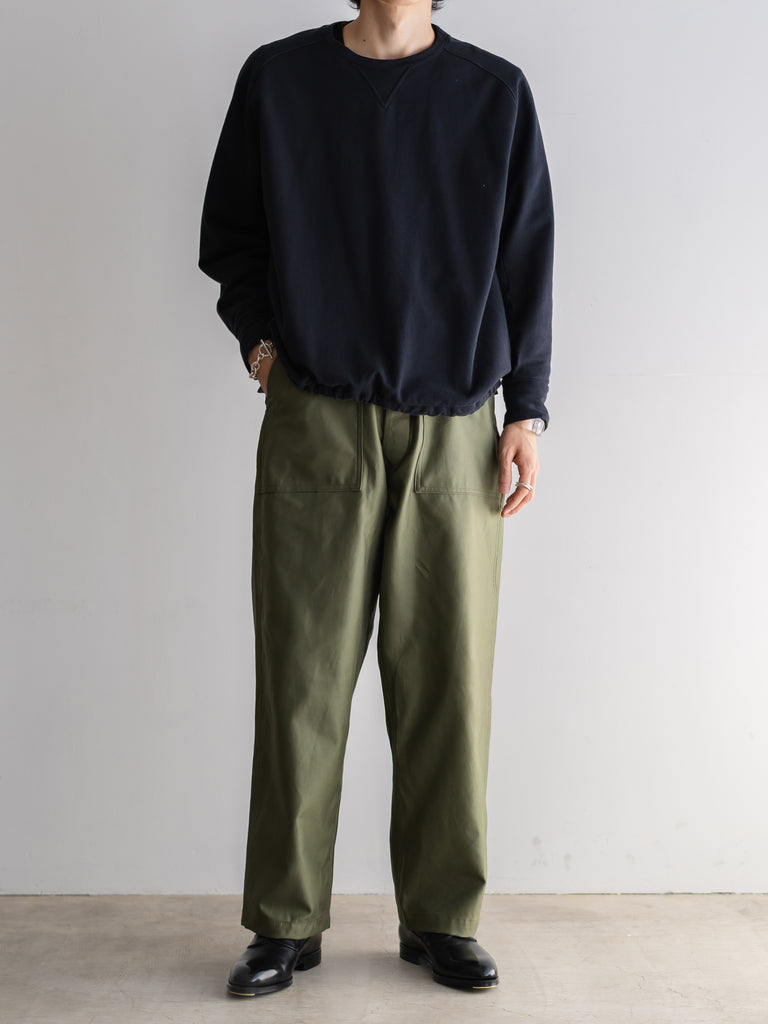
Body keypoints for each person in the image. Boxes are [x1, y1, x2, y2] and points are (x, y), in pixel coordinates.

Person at [198, 0, 554, 997]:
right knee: (300, 680)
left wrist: (526, 408)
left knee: (449, 682)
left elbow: (527, 258)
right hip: (317, 415)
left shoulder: (493, 94)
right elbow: (232, 233)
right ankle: (284, 923)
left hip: (457, 427)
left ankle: (442, 918)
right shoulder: (280, 80)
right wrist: (263, 348)